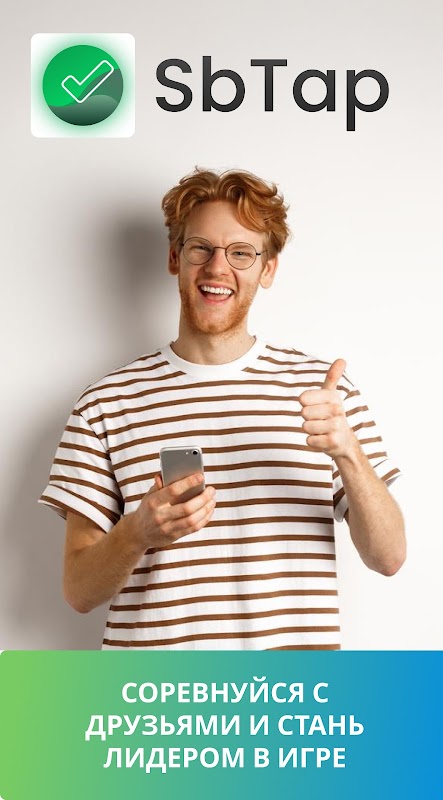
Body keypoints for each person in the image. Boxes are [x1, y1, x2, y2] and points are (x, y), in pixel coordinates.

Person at [39, 166, 406, 650]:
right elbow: (78, 591)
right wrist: (136, 533)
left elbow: (389, 557)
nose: (217, 268)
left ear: (267, 269)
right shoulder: (104, 404)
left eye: (241, 253)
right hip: (154, 693)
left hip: (290, 692)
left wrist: (349, 454)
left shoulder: (325, 394)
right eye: (201, 248)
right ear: (175, 257)